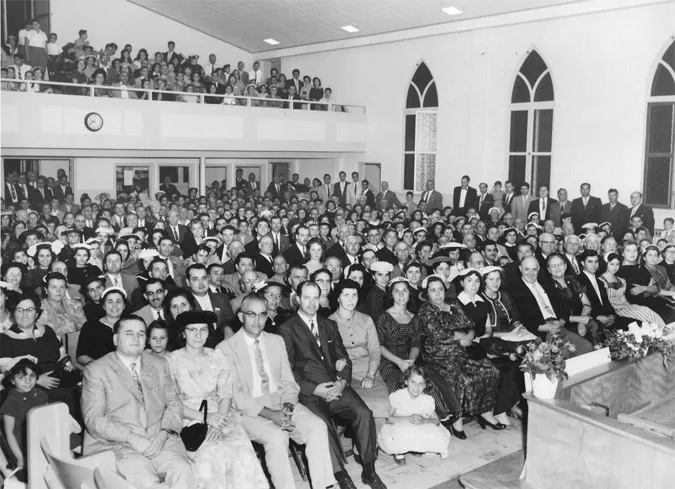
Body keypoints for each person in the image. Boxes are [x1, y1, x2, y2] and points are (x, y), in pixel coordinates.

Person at [218, 294, 338, 489]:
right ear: (241, 317)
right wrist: (271, 414)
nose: (257, 321)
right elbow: (236, 395)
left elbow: (289, 382)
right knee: (277, 436)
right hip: (249, 410)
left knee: (317, 427)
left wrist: (288, 408)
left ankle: (323, 485)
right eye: (251, 314)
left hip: (282, 402)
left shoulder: (276, 341)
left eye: (262, 315)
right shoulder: (225, 348)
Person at [278, 282, 387, 489]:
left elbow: (344, 358)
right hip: (309, 394)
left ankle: (369, 469)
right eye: (307, 297)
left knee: (364, 413)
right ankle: (341, 475)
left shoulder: (328, 325)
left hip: (337, 387)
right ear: (297, 299)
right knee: (323, 426)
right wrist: (314, 389)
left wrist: (342, 381)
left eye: (315, 297)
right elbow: (287, 371)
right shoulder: (286, 329)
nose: (312, 303)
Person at [81, 314, 193, 489]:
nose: (136, 338)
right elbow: (94, 419)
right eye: (129, 333)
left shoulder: (160, 365)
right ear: (116, 339)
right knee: (145, 481)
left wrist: (164, 433)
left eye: (141, 334)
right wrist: (131, 438)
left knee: (182, 470)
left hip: (158, 440)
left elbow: (174, 403)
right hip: (117, 444)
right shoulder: (96, 371)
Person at [168, 310, 268, 489]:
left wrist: (217, 422)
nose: (198, 335)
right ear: (183, 333)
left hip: (221, 415)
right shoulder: (172, 361)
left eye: (203, 330)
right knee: (213, 455)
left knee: (242, 452)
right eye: (192, 330)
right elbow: (171, 402)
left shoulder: (217, 356)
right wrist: (205, 418)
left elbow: (226, 394)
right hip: (189, 418)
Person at [0, 294, 80, 411]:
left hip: (58, 379)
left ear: (37, 314)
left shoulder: (47, 331)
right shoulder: (5, 338)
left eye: (30, 310)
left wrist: (67, 362)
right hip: (28, 387)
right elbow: (5, 370)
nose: (25, 314)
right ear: (13, 313)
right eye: (20, 310)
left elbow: (62, 355)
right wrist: (36, 379)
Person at [509, 256, 594, 356]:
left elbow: (562, 307)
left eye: (534, 269)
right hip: (541, 331)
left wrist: (561, 321)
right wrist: (543, 327)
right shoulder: (515, 290)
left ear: (539, 269)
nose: (531, 273)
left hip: (559, 326)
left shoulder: (546, 283)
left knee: (587, 347)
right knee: (562, 356)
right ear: (520, 269)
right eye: (526, 269)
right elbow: (523, 316)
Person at [376, 366, 451, 464]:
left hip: (419, 426)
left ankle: (417, 447)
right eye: (413, 382)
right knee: (395, 437)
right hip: (400, 424)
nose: (416, 387)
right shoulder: (398, 396)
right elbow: (388, 419)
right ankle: (400, 451)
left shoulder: (426, 400)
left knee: (438, 438)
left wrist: (424, 420)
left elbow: (436, 421)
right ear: (406, 381)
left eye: (421, 383)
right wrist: (409, 418)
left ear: (425, 385)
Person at [0, 359, 49, 481]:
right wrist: (19, 457)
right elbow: (9, 433)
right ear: (12, 380)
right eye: (21, 377)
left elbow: (47, 418)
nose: (28, 381)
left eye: (32, 376)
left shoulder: (41, 394)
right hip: (23, 443)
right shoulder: (10, 403)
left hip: (42, 437)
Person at [599, 253, 665, 328]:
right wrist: (626, 307)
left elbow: (623, 299)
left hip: (624, 307)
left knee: (645, 310)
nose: (615, 267)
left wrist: (632, 307)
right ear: (606, 264)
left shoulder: (621, 280)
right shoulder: (601, 280)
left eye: (617, 264)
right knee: (642, 316)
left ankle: (663, 330)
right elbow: (604, 303)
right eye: (612, 264)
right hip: (613, 310)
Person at [76, 287, 126, 366]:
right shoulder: (90, 326)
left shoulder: (130, 325)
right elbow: (81, 356)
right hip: (99, 371)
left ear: (124, 306)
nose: (114, 305)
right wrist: (99, 367)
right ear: (103, 306)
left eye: (118, 302)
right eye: (110, 302)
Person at [35, 272, 86, 339]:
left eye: (62, 287)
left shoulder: (74, 305)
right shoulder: (40, 310)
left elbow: (86, 328)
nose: (58, 291)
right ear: (46, 290)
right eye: (54, 287)